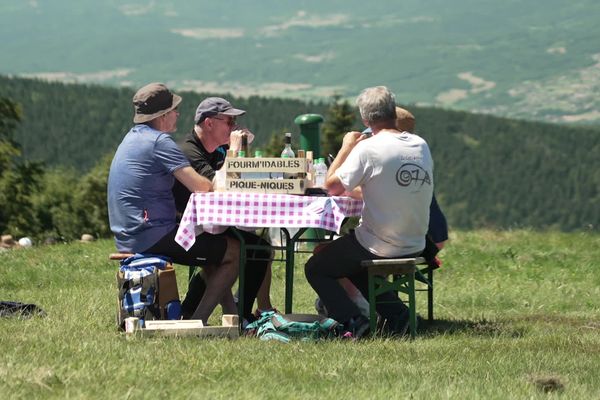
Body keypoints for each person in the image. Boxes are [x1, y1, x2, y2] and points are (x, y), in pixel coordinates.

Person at [304, 86, 434, 338]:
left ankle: (353, 321)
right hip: (417, 242)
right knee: (352, 261)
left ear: (365, 119)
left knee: (317, 266)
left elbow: (331, 186)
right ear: (393, 112)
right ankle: (399, 317)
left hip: (382, 244)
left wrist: (346, 147)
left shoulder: (369, 148)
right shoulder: (420, 145)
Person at [107, 82, 241, 324]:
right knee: (234, 251)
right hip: (151, 234)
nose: (178, 114)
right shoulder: (160, 142)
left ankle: (233, 318)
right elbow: (205, 188)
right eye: (174, 109)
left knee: (215, 253)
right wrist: (234, 152)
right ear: (163, 116)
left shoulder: (131, 138)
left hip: (127, 233)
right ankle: (197, 322)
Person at [171, 97, 272, 319]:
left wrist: (240, 150)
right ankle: (239, 316)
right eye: (229, 121)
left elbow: (239, 180)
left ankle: (235, 312)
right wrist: (233, 153)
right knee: (253, 249)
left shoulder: (216, 149)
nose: (233, 127)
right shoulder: (189, 151)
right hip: (187, 228)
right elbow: (219, 189)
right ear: (209, 123)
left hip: (212, 223)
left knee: (259, 247)